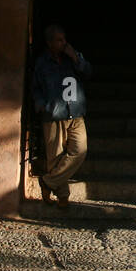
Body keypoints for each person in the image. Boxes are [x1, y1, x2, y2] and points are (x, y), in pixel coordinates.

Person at [32, 25, 92, 208]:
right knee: (55, 156)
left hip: (75, 112)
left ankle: (47, 182)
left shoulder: (72, 59)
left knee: (79, 151)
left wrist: (75, 57)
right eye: (59, 40)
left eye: (64, 39)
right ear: (50, 43)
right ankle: (63, 197)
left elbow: (88, 72)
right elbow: (35, 86)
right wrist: (41, 104)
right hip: (54, 113)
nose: (63, 43)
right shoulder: (42, 63)